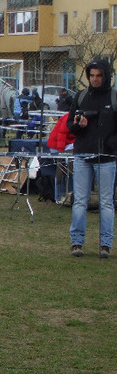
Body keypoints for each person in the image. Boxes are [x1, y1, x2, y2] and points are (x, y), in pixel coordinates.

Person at [67, 59, 117, 258]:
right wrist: (79, 125)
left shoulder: (114, 97)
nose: (95, 79)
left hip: (106, 158)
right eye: (92, 76)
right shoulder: (81, 97)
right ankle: (76, 243)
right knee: (79, 201)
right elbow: (70, 125)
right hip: (82, 155)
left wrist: (111, 143)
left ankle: (106, 244)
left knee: (106, 202)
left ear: (105, 76)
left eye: (99, 75)